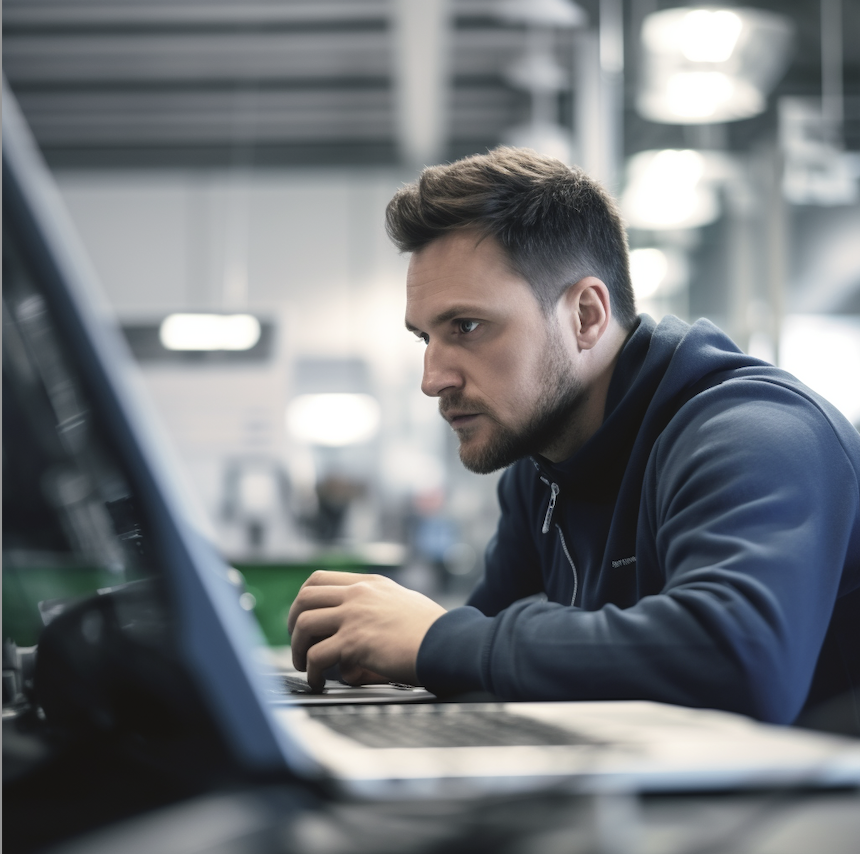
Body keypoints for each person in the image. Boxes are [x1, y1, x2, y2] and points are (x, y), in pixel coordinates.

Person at [288, 147, 860, 727]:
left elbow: (740, 662)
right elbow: (483, 653)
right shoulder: (541, 467)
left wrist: (436, 641)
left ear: (586, 315)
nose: (433, 378)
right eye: (425, 338)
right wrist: (386, 644)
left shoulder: (753, 433)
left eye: (467, 327)